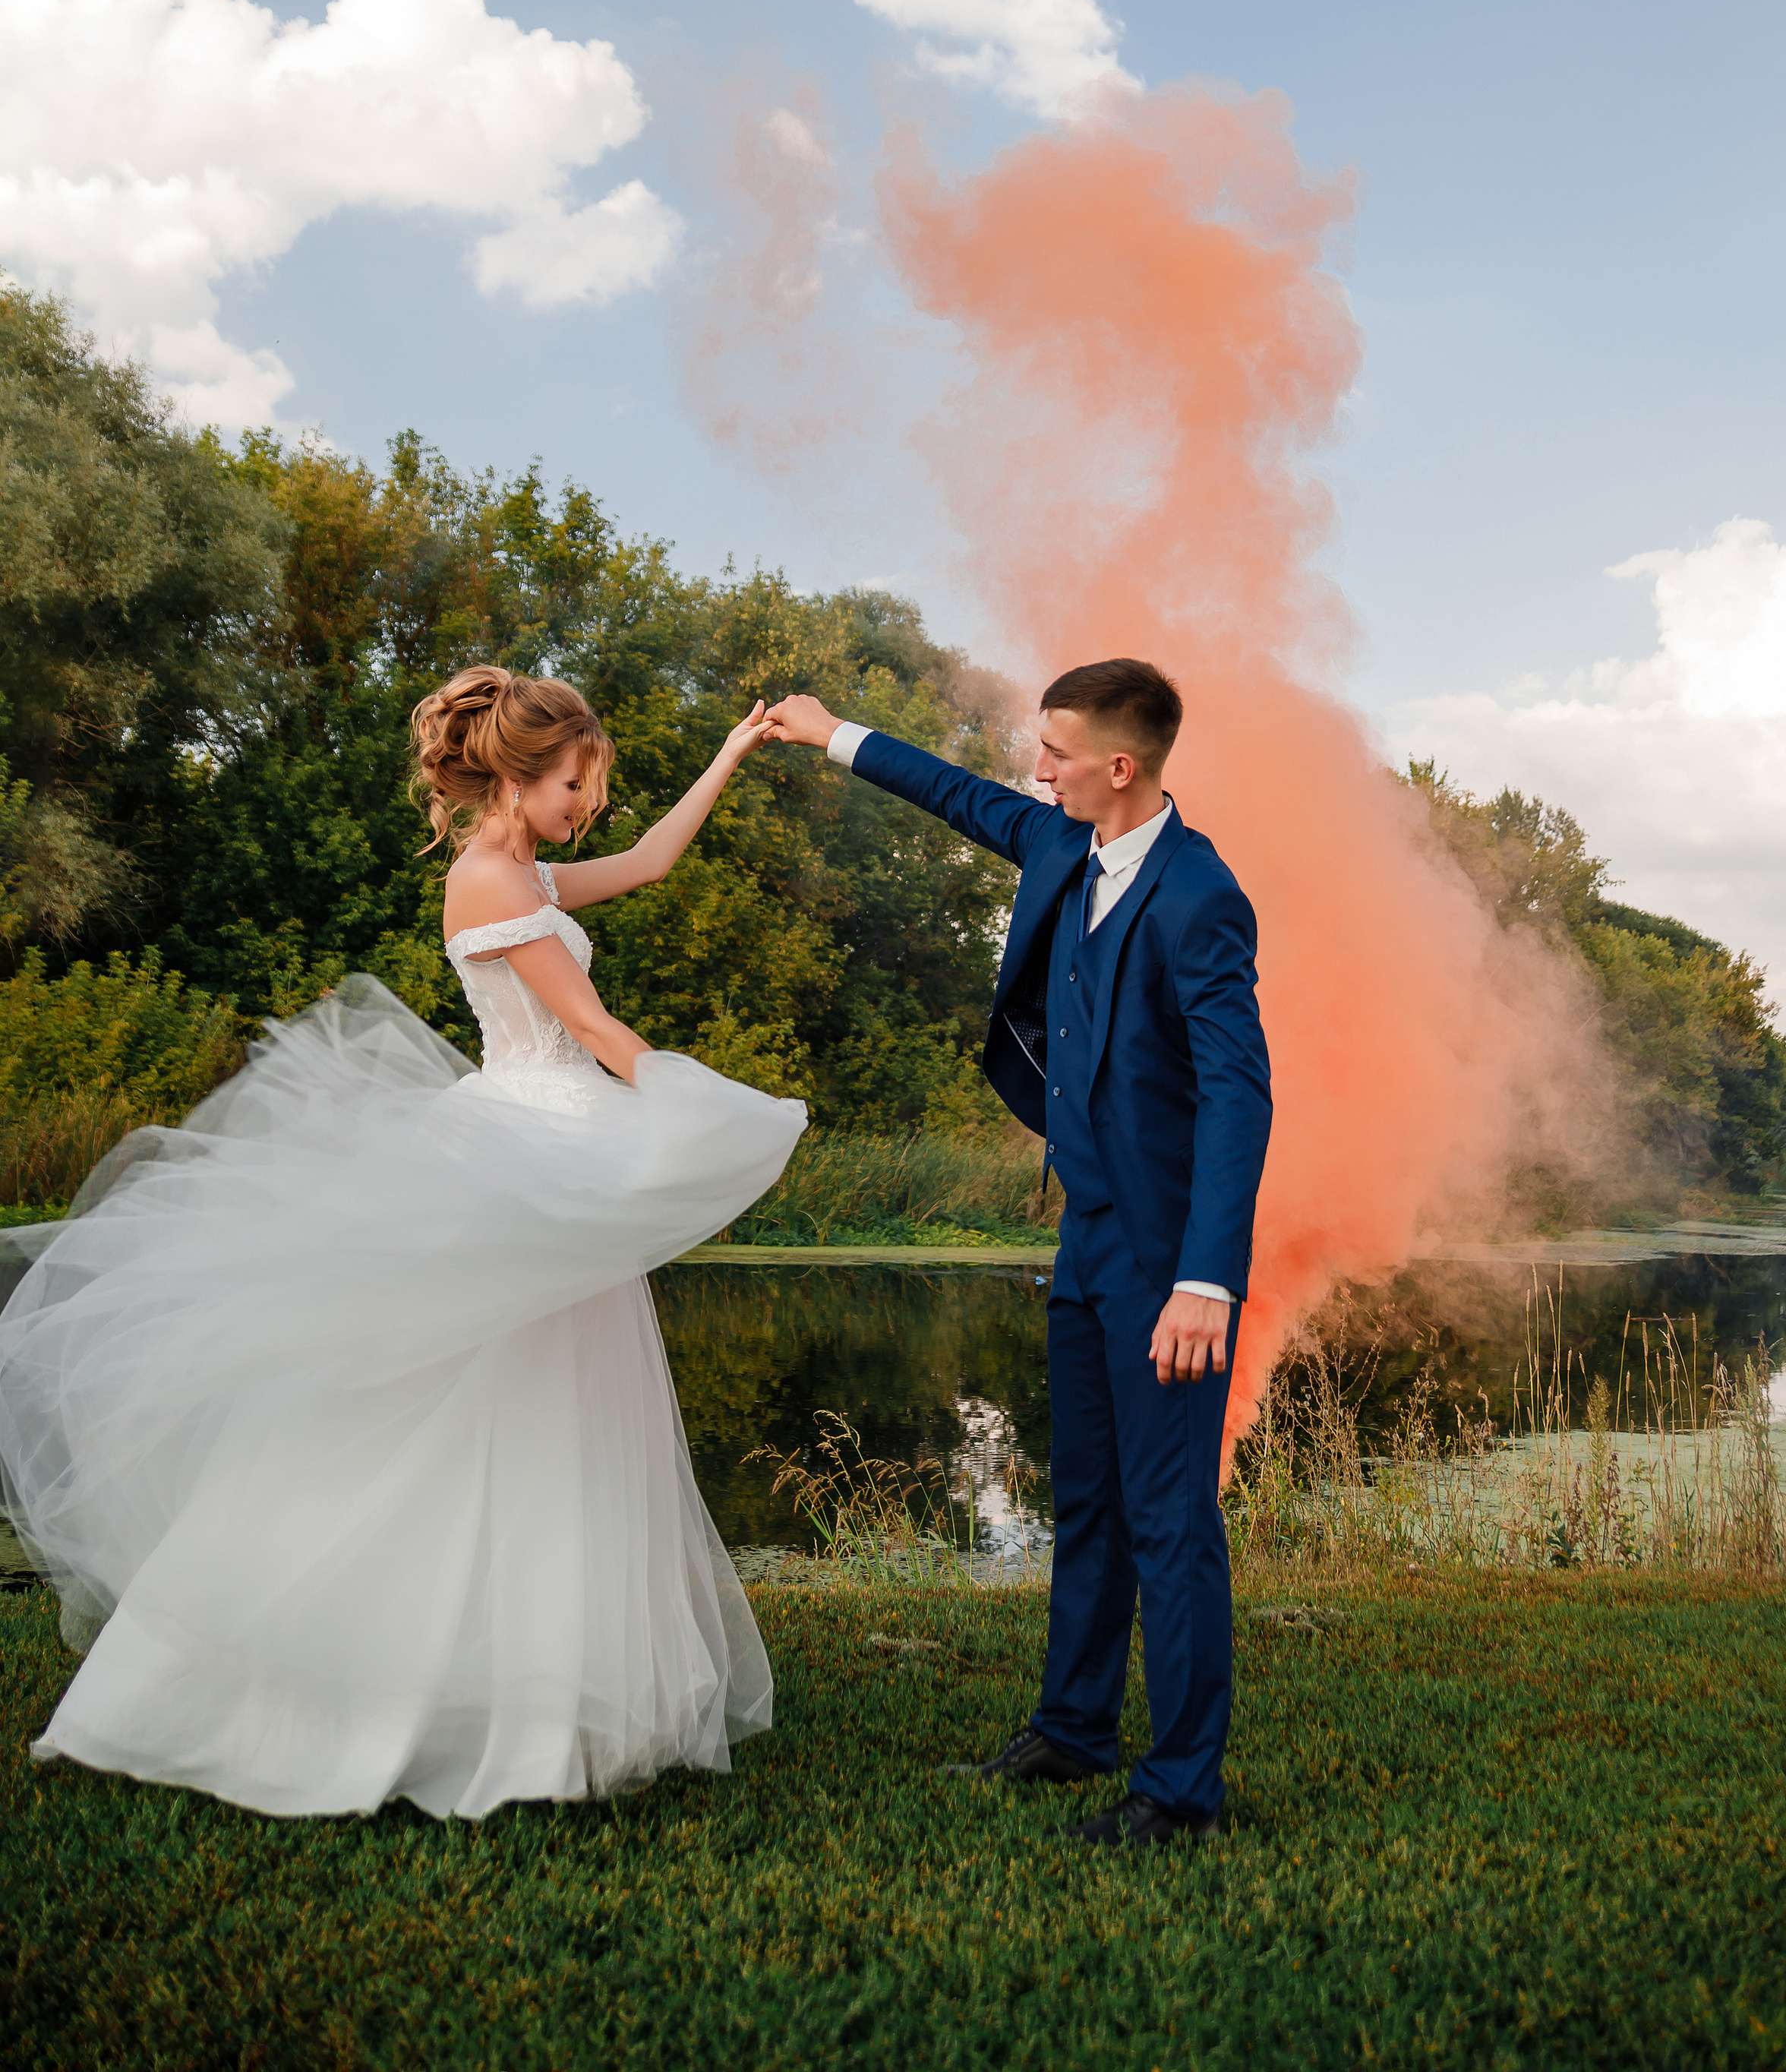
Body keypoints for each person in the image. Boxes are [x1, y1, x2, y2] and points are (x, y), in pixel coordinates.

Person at [0, 665, 803, 1819]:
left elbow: (648, 864)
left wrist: (730, 753)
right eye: (575, 785)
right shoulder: (488, 880)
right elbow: (587, 1026)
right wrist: (694, 1100)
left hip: (555, 1148)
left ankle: (541, 1699)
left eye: (593, 788)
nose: (588, 807)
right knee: (487, 1410)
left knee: (557, 1412)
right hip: (527, 1151)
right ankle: (386, 1683)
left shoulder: (529, 871)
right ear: (520, 777)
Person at [765, 657, 1273, 1846]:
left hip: (1166, 1260)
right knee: (1086, 1501)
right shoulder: (1060, 842)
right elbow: (956, 796)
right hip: (1085, 1239)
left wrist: (1206, 1280)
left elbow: (1238, 1095)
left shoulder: (1201, 898)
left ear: (1120, 766)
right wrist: (833, 732)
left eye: (1055, 752)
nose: (1035, 770)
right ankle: (1073, 1730)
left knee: (1170, 1523)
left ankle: (1181, 1793)